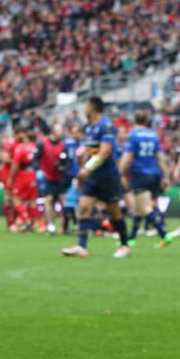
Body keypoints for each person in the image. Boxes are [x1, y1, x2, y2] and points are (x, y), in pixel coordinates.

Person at [62, 96, 130, 258]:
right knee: (84, 207)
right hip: (93, 176)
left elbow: (105, 152)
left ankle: (124, 245)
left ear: (92, 106)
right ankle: (81, 246)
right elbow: (91, 151)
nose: (84, 109)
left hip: (107, 175)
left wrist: (87, 168)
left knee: (115, 212)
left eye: (86, 105)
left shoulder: (106, 125)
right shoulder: (90, 128)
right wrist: (83, 167)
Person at [119, 110, 170, 248]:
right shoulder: (153, 135)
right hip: (155, 174)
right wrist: (166, 176)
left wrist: (120, 171)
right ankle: (131, 238)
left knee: (145, 207)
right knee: (137, 207)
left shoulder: (133, 135)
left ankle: (164, 234)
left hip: (140, 173)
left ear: (134, 120)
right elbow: (160, 157)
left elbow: (128, 156)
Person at [8, 126, 41, 232]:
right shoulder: (36, 147)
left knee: (16, 198)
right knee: (32, 201)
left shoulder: (20, 147)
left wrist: (10, 177)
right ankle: (33, 223)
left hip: (23, 175)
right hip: (34, 174)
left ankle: (25, 219)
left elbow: (15, 164)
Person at [38, 124, 68, 235]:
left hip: (58, 177)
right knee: (48, 199)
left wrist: (62, 166)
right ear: (53, 132)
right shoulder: (43, 143)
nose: (62, 133)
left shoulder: (62, 145)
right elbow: (36, 158)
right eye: (60, 131)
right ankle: (50, 224)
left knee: (57, 200)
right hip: (46, 176)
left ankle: (57, 224)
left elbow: (66, 161)